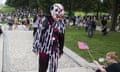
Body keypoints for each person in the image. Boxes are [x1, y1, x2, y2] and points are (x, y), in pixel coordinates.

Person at [32, 3, 65, 72]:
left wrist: (61, 50)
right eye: (57, 15)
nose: (59, 17)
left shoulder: (61, 23)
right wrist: (36, 47)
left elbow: (61, 37)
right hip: (44, 48)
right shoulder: (45, 20)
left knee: (53, 68)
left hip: (54, 49)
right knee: (42, 68)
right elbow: (38, 34)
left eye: (60, 15)